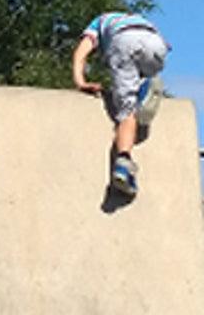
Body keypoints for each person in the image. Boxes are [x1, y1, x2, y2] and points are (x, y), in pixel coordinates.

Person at [72, 11, 168, 197]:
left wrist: (80, 82)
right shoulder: (135, 18)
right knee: (141, 74)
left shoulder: (98, 23)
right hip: (157, 43)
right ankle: (145, 86)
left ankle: (123, 164)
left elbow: (81, 53)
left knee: (126, 112)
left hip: (124, 42)